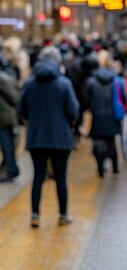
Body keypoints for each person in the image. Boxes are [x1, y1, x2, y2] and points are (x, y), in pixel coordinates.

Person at [18, 46, 79, 228]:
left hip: (36, 137)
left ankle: (35, 215)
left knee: (38, 177)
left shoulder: (29, 83)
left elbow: (22, 110)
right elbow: (73, 110)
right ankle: (63, 214)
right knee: (61, 177)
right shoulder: (64, 83)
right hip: (60, 138)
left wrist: (34, 120)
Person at [84, 50, 126, 177]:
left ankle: (100, 167)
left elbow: (86, 100)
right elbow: (123, 97)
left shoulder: (91, 81)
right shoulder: (117, 80)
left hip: (97, 115)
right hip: (112, 115)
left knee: (98, 142)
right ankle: (115, 167)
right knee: (111, 141)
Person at [0, 54, 19, 182]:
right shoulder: (6, 76)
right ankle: (8, 167)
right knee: (7, 145)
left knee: (7, 145)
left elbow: (14, 98)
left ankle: (12, 170)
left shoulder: (2, 78)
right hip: (5, 116)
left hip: (4, 117)